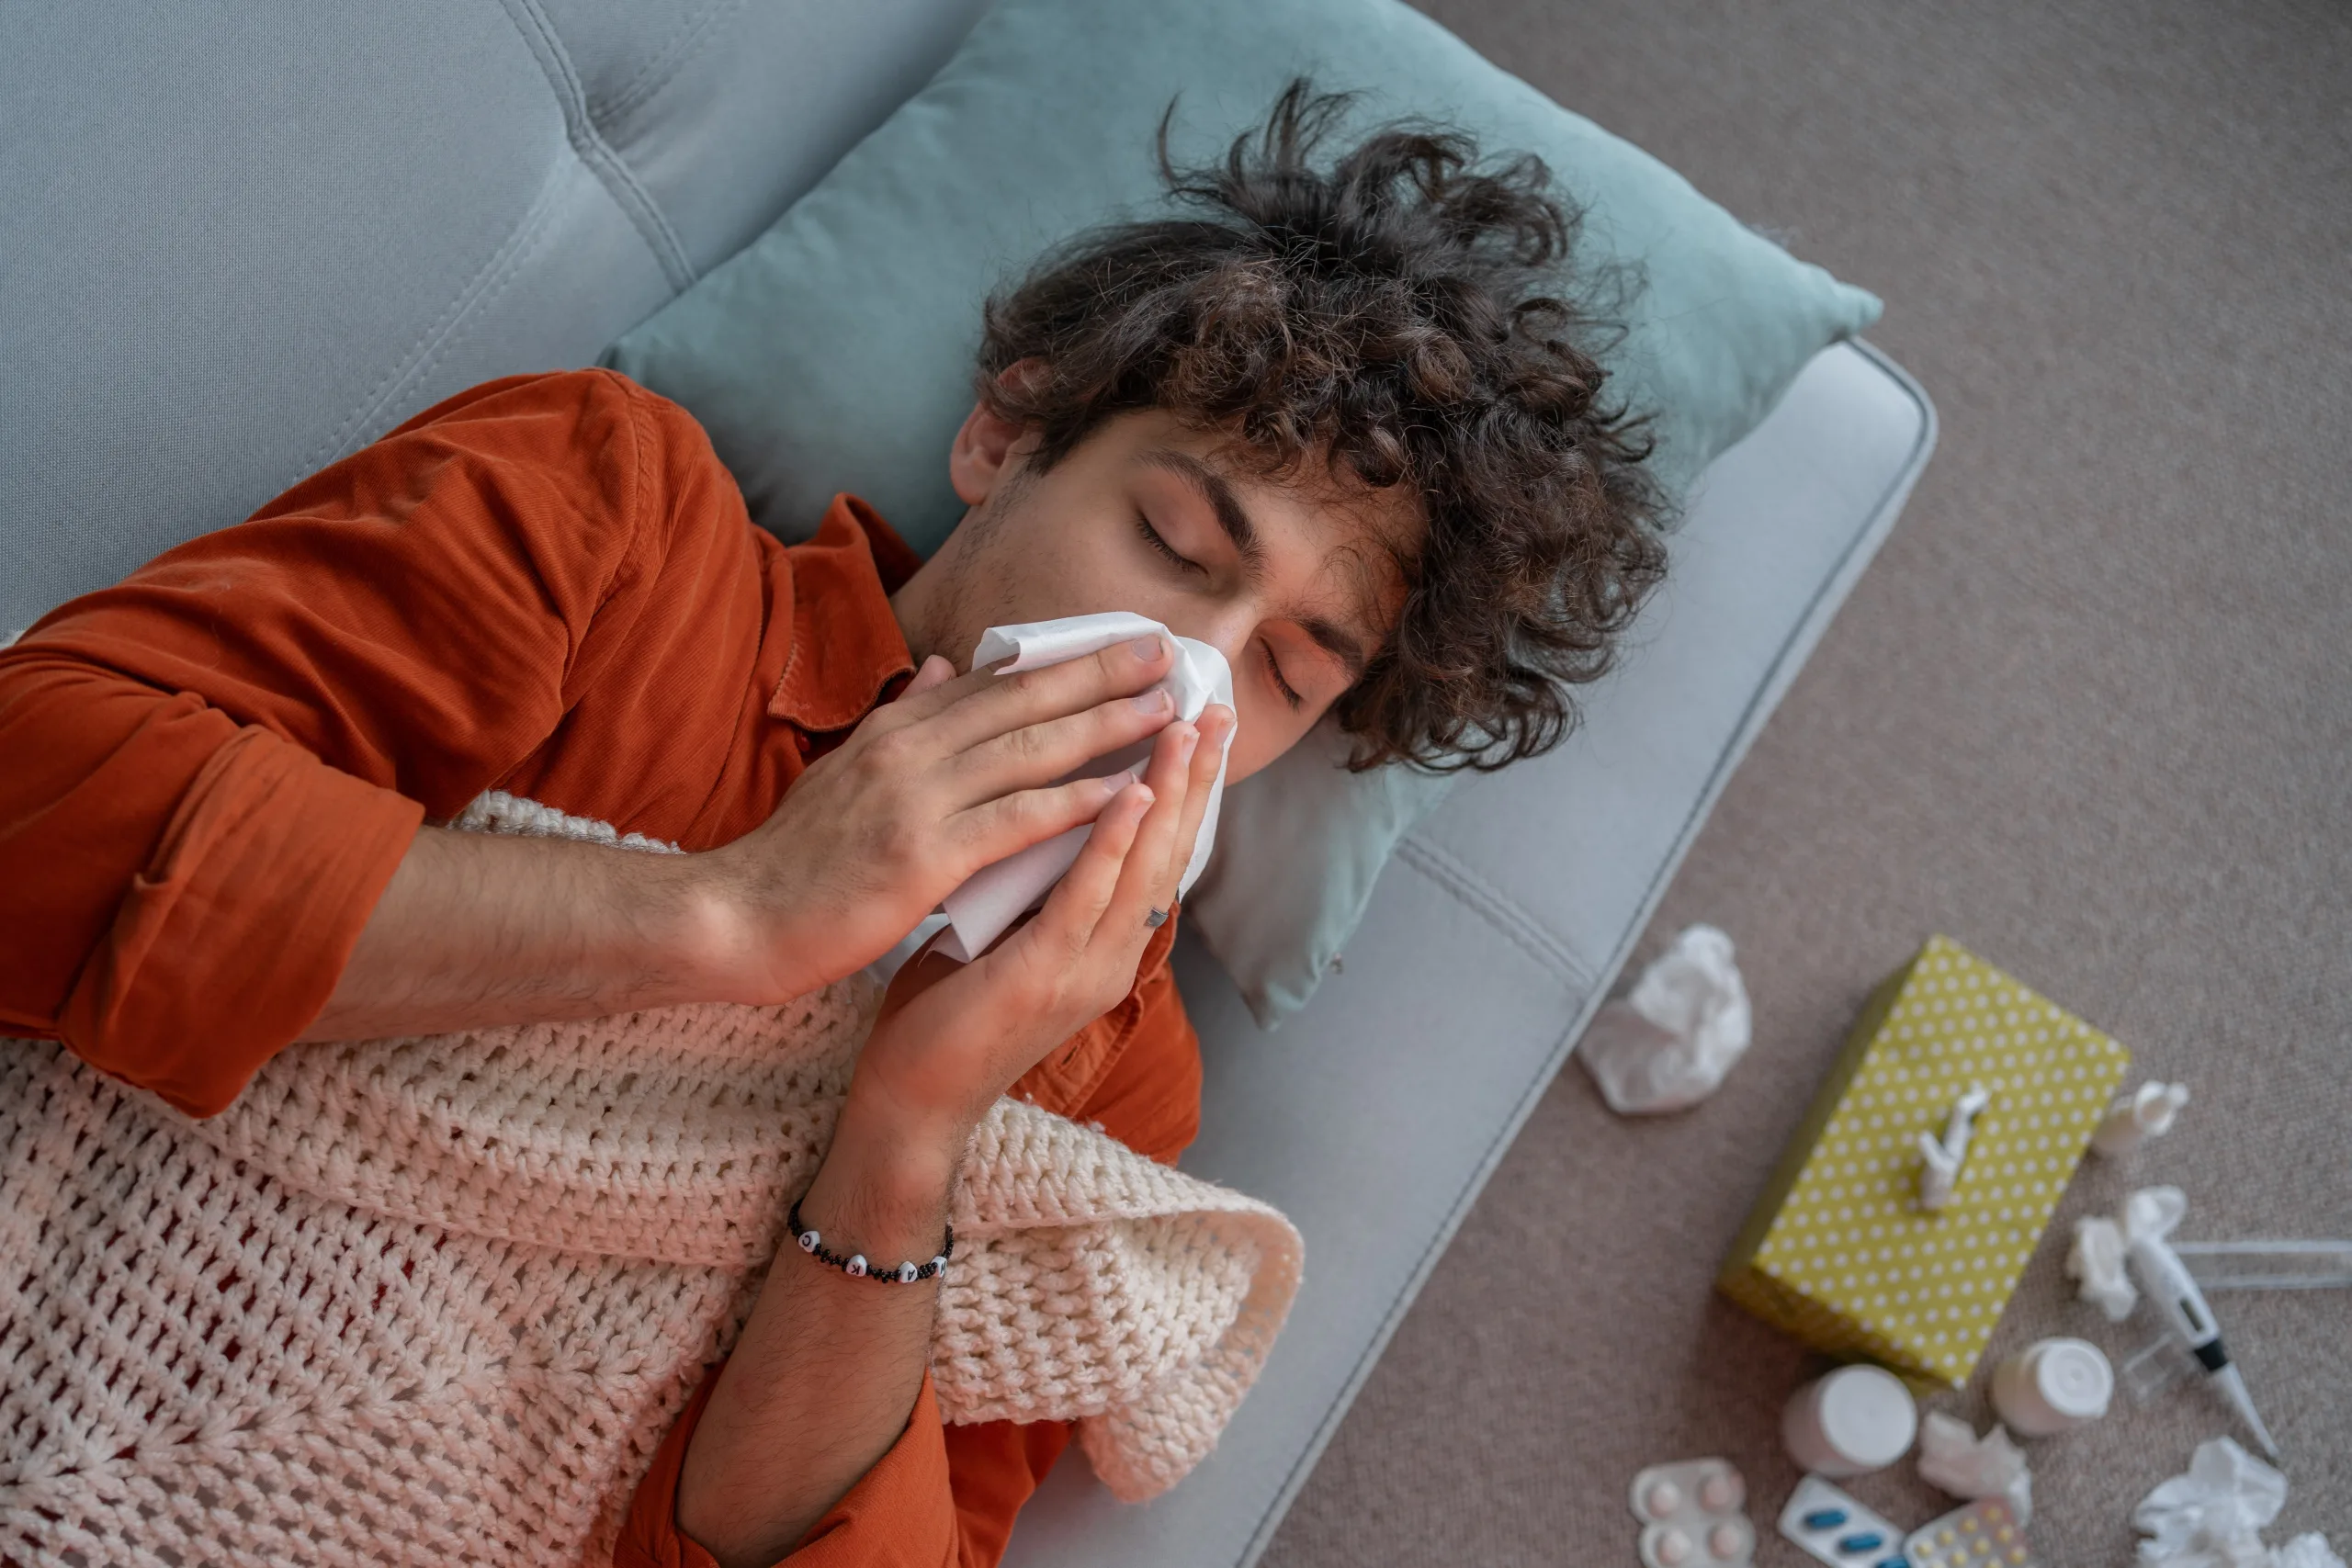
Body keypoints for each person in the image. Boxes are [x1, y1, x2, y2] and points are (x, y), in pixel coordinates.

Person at [0, 85, 1665, 1567]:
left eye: (1292, 671)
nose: (1195, 688)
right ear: (1003, 436)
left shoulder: (1113, 1070)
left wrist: (916, 1125)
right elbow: (36, 798)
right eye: (1175, 545)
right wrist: (731, 918)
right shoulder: (618, 525)